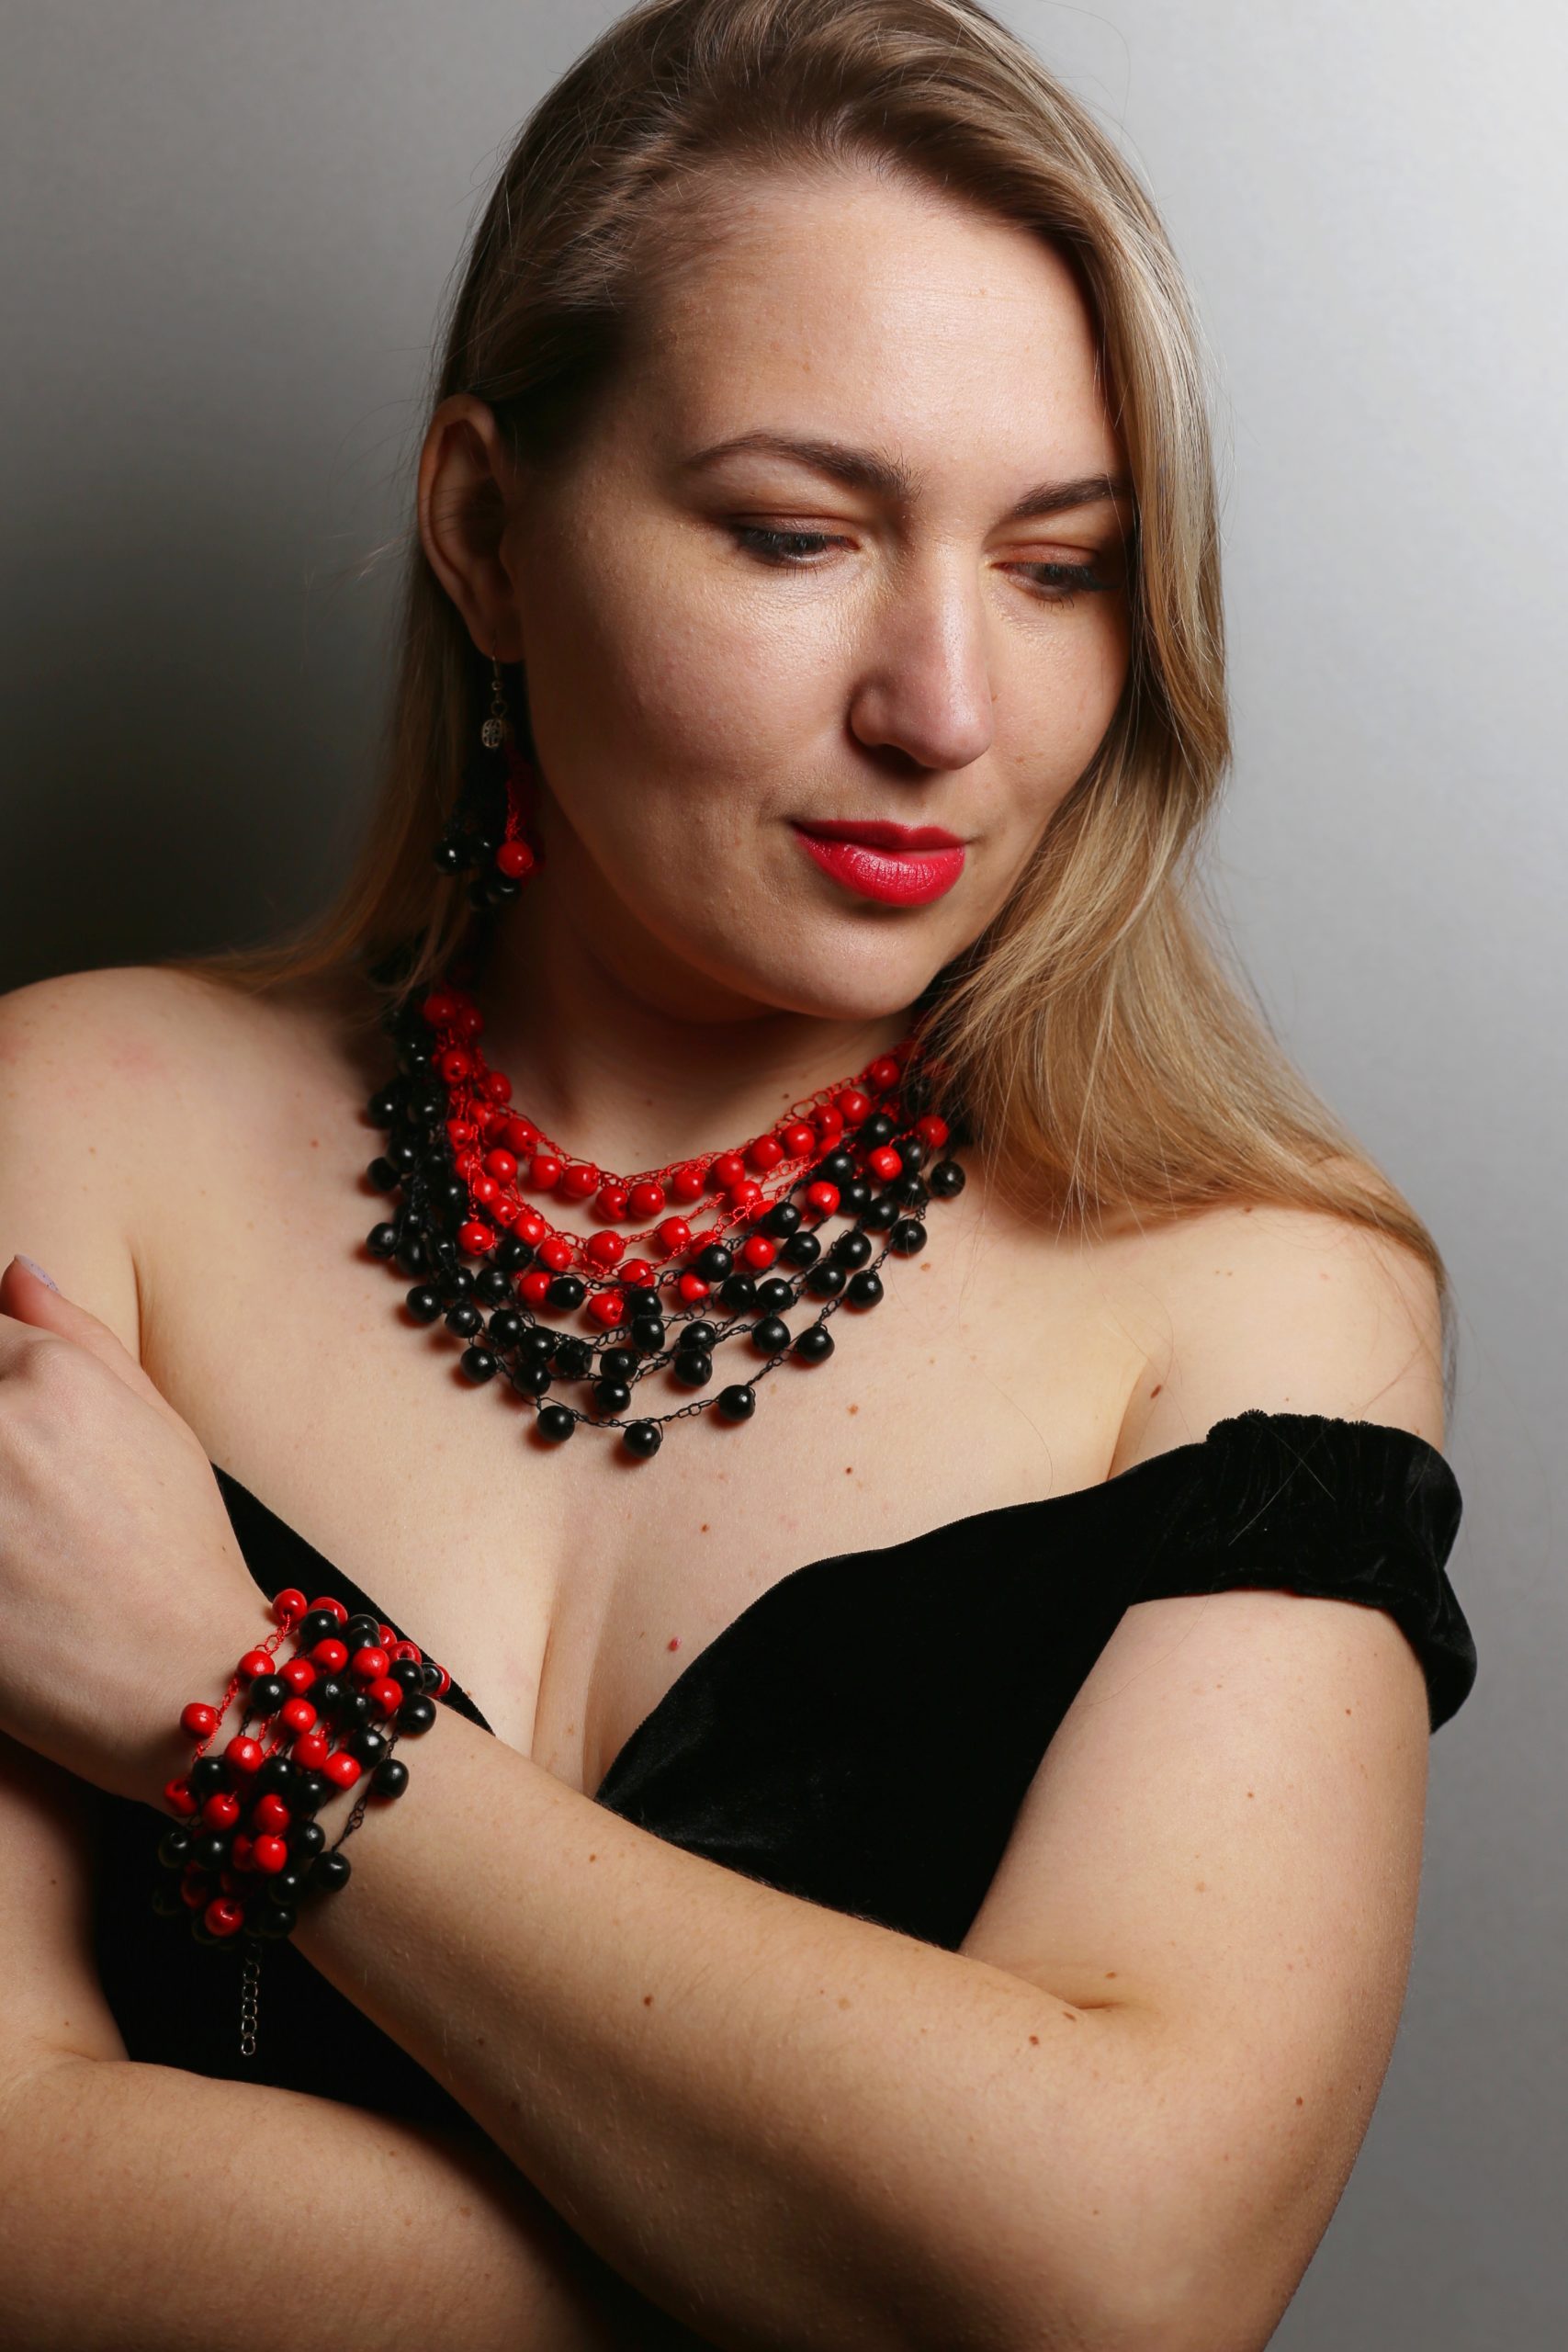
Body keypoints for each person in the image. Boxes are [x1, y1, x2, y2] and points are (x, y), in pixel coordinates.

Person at [0, 2, 1477, 2346]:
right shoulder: (69, 1124)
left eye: (1058, 566)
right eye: (798, 535)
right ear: (485, 529)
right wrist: (847, 2271)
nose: (942, 707)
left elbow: (1123, 2277)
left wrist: (240, 1687)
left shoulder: (1259, 1293)